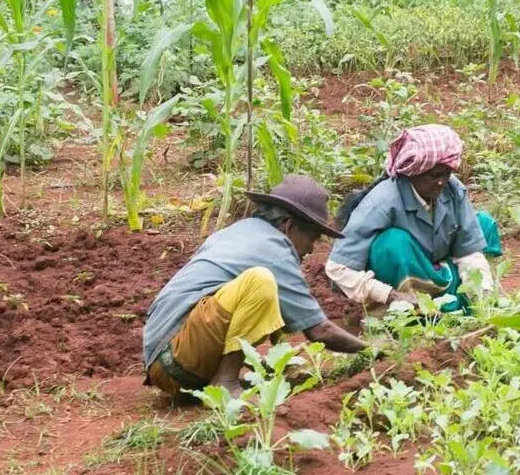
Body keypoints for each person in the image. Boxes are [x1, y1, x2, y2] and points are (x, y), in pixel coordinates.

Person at [143, 174, 367, 396]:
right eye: (313, 238)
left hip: (166, 359)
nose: (310, 250)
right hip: (176, 359)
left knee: (271, 291)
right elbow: (320, 330)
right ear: (288, 225)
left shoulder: (239, 232)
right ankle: (226, 382)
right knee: (261, 281)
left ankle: (237, 372)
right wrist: (371, 350)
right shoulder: (274, 249)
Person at [325, 124, 501, 313]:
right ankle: (411, 314)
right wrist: (391, 294)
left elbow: (469, 253)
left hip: (438, 267)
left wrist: (484, 295)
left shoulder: (453, 189)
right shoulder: (382, 201)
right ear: (413, 173)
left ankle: (471, 308)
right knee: (392, 242)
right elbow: (337, 269)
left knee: (483, 223)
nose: (441, 182)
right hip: (400, 280)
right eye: (434, 175)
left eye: (446, 174)